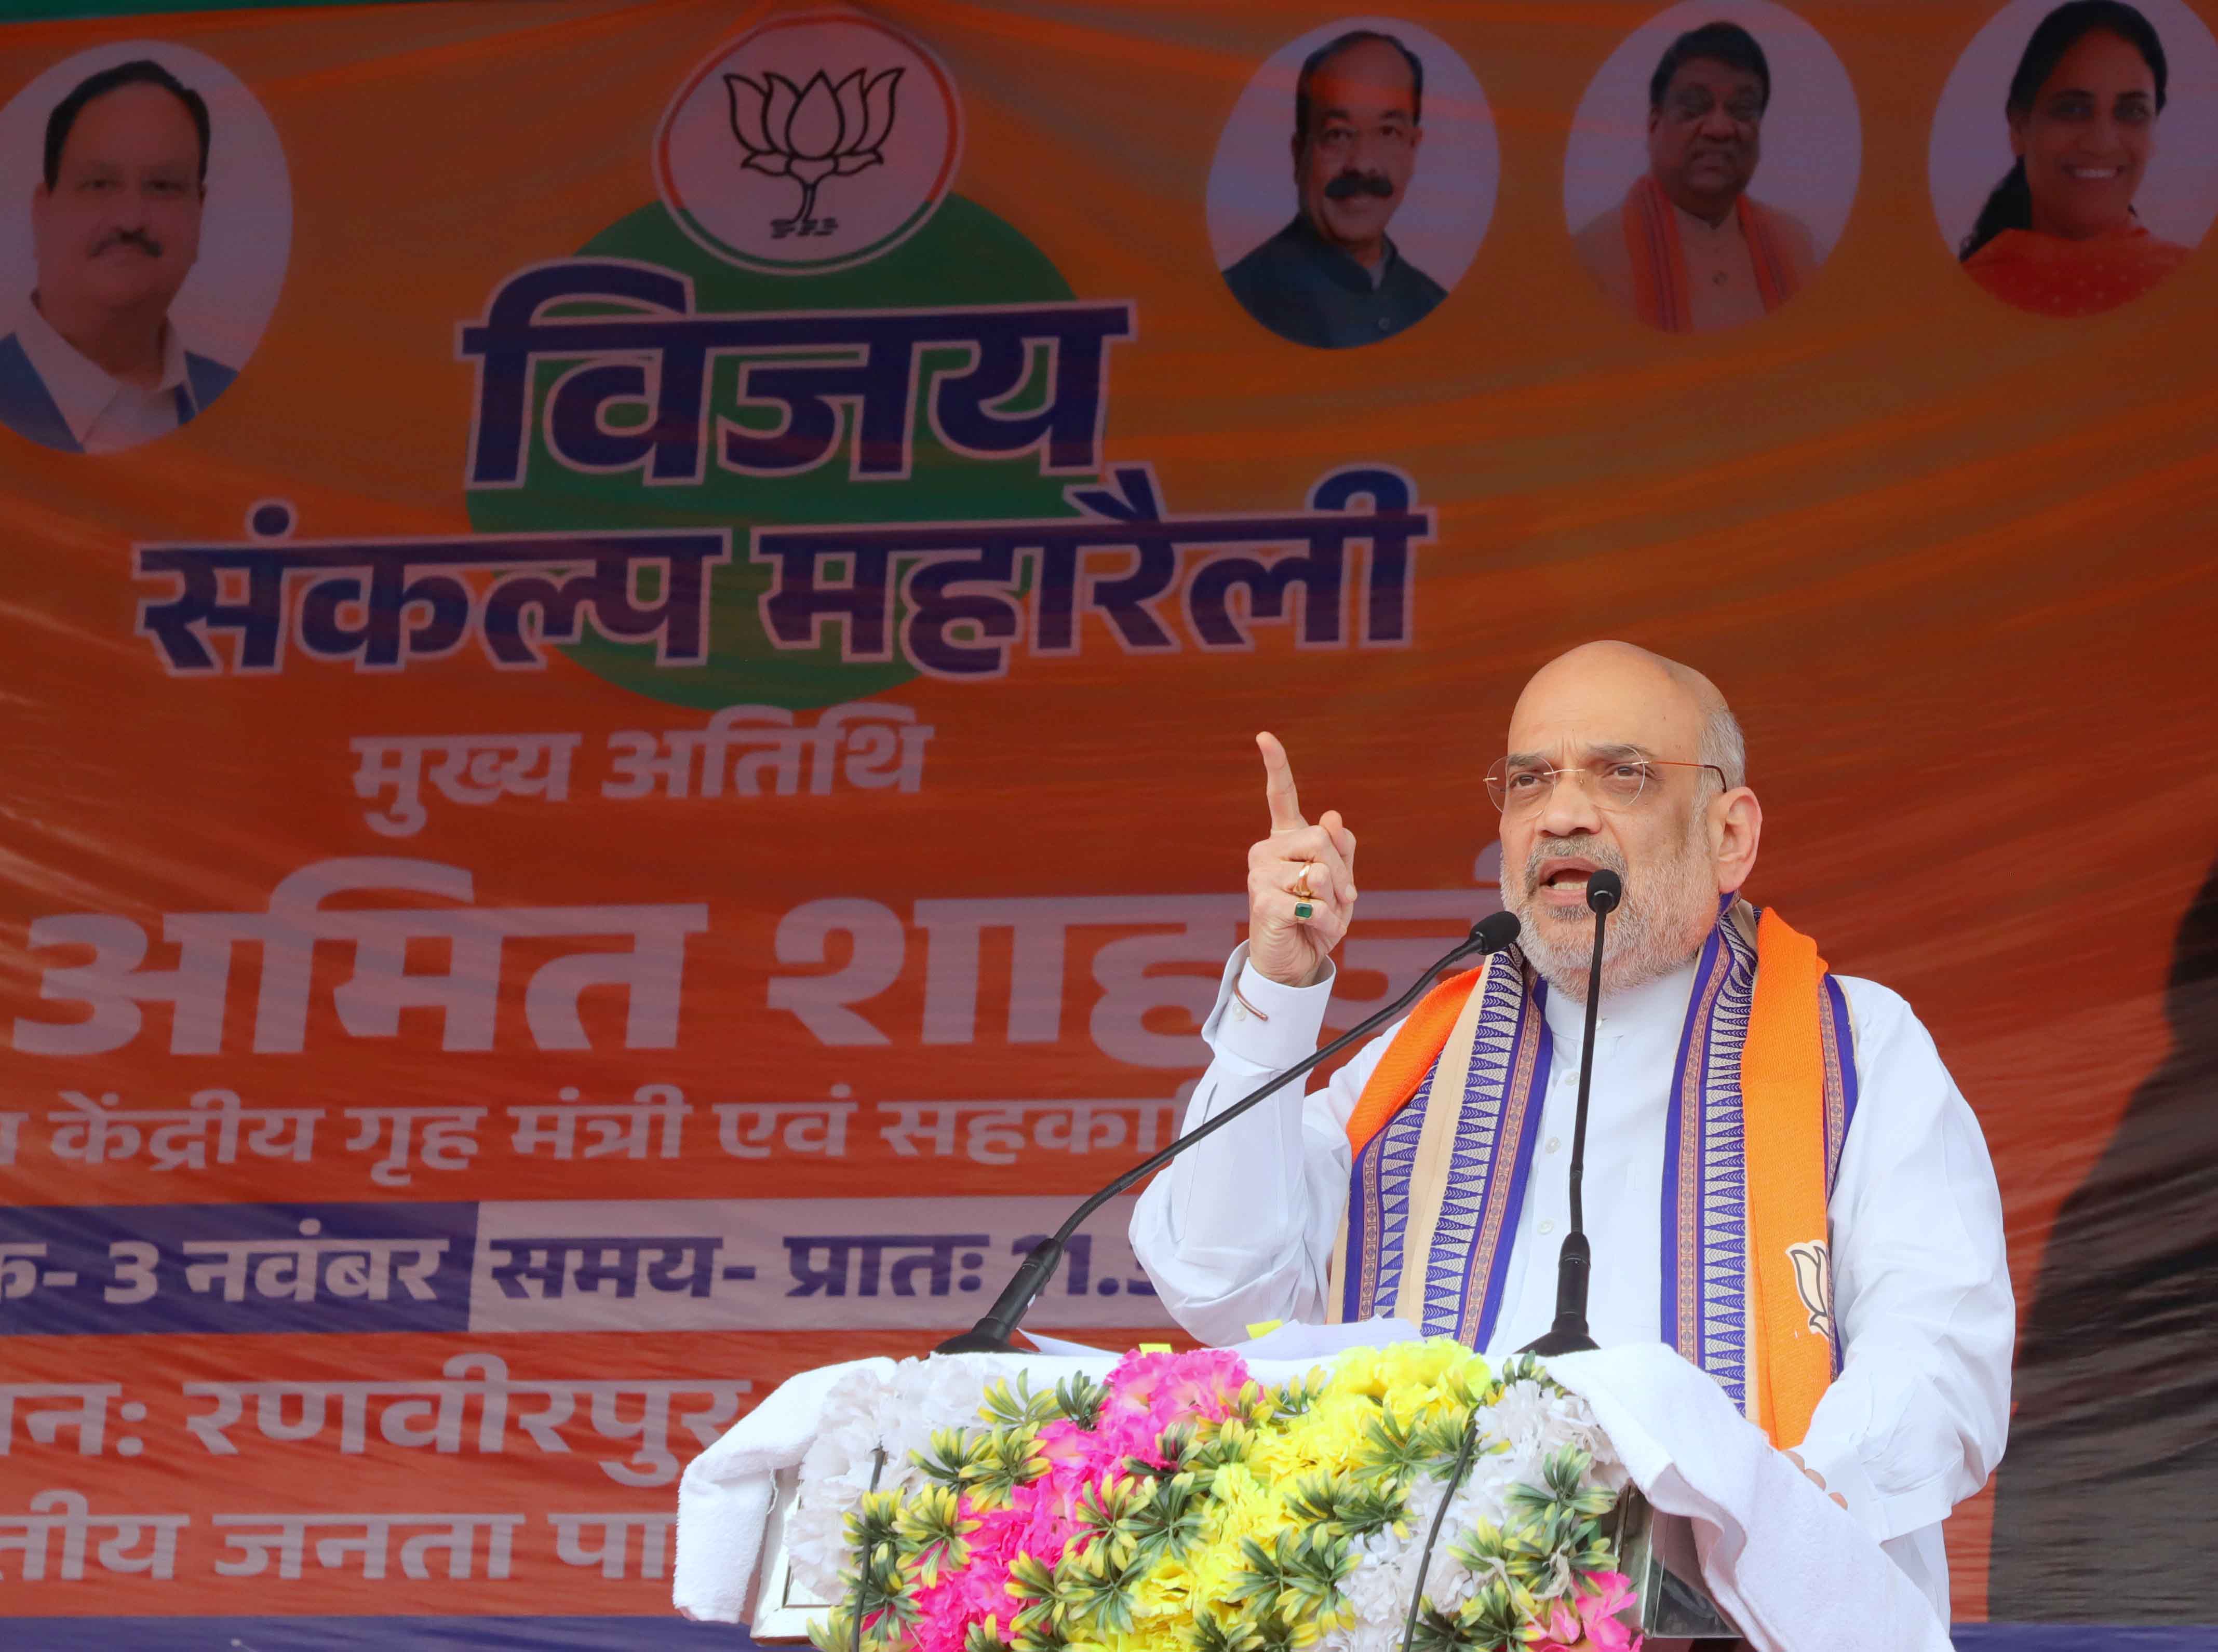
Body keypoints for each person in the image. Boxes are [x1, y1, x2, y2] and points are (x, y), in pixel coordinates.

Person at [1130, 641, 2012, 1619]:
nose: (1560, 812)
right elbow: (1220, 1279)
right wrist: (1279, 989)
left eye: (1621, 773)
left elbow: (1940, 1352)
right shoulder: (1418, 1056)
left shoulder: (1853, 1044)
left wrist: (1754, 1526)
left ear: (1730, 834)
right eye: (1529, 780)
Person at [0, 58, 236, 454]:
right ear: (42, 213)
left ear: (200, 211)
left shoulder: (248, 406)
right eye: (99, 184)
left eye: (163, 187)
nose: (130, 219)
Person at [1572, 22, 1818, 333]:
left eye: (1742, 110)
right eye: (1694, 107)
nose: (1719, 128)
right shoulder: (1590, 259)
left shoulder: (1799, 249)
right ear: (1653, 126)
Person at [1959, 1, 2187, 318]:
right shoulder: (1954, 299)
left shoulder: (2197, 287)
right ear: (2019, 127)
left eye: (2132, 111)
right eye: (2072, 109)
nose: (2102, 144)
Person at [1221, 30, 1448, 349]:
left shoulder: (1435, 306)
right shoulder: (1234, 303)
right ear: (1299, 154)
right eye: (1339, 135)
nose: (1363, 164)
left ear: (1413, 149)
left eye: (1388, 132)